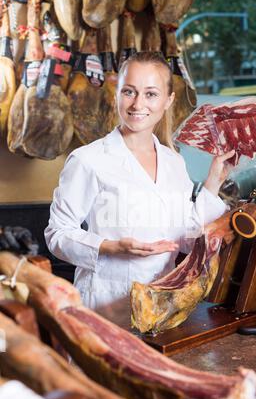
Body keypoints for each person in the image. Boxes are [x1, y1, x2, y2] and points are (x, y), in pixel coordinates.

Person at [45, 51, 235, 312]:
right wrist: (112, 247)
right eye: (129, 92)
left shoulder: (173, 162)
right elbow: (58, 233)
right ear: (116, 94)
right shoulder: (88, 159)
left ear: (168, 100)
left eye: (151, 94)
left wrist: (214, 181)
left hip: (163, 303)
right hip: (106, 303)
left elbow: (186, 236)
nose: (137, 104)